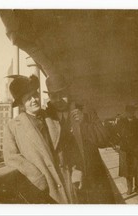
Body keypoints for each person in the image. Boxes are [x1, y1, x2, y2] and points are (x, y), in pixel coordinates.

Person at [3, 74, 83, 204]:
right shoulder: (13, 126)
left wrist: (77, 171)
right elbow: (11, 157)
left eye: (35, 95)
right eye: (28, 98)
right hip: (45, 190)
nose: (34, 100)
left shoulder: (52, 117)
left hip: (67, 183)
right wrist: (37, 178)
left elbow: (71, 145)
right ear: (22, 104)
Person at [44, 74, 115, 204]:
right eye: (54, 96)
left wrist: (84, 123)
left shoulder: (85, 110)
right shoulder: (46, 117)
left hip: (93, 178)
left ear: (68, 93)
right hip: (67, 181)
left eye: (62, 94)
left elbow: (104, 139)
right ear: (49, 97)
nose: (59, 99)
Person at [115, 104, 138, 196]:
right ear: (126, 112)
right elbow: (115, 134)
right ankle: (129, 188)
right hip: (125, 150)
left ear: (134, 112)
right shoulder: (121, 123)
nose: (130, 113)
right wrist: (117, 144)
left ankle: (137, 187)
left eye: (132, 111)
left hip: (137, 149)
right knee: (128, 170)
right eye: (129, 111)